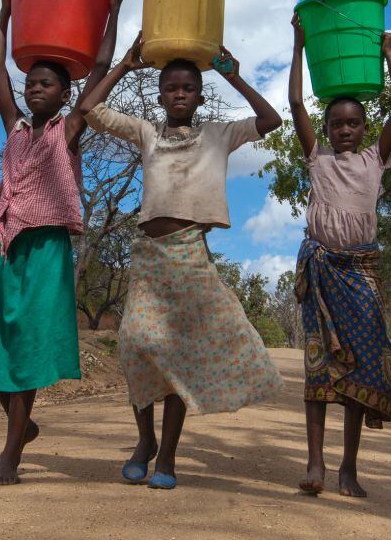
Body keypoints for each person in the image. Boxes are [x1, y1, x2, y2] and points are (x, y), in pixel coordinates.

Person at [79, 40, 285, 490]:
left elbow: (271, 120)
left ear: (200, 95)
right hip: (150, 257)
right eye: (170, 88)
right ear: (158, 96)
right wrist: (125, 66)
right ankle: (145, 441)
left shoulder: (219, 135)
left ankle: (167, 457)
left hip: (190, 252)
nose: (179, 94)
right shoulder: (146, 132)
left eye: (188, 88)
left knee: (178, 356)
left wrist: (232, 73)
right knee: (135, 345)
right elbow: (90, 108)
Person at [0, 0, 125, 486]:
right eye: (30, 84)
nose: (35, 89)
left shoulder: (70, 130)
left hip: (47, 249)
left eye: (46, 84)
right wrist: (4, 13)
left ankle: (9, 454)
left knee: (32, 345)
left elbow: (101, 68)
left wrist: (114, 11)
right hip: (6, 246)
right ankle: (23, 425)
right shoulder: (15, 127)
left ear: (65, 94)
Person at [288, 12, 391, 497]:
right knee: (318, 370)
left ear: (363, 129)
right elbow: (296, 100)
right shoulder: (316, 157)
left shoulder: (375, 159)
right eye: (337, 123)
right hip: (321, 271)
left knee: (361, 367)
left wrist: (388, 54)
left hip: (361, 273)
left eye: (353, 123)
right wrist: (298, 43)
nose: (344, 130)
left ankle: (349, 469)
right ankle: (315, 465)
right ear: (327, 128)